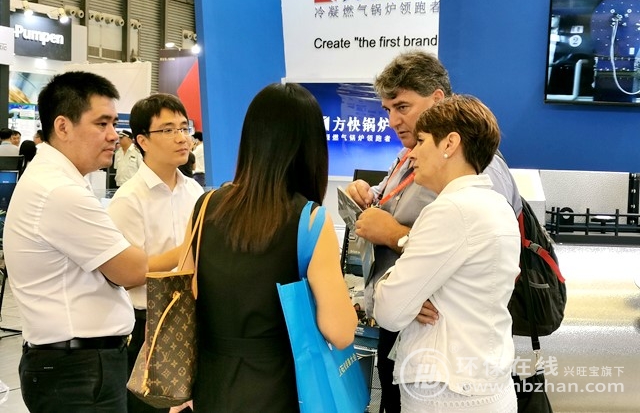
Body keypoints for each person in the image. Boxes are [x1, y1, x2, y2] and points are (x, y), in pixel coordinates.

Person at [346, 51, 521, 413]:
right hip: (448, 358)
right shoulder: (412, 160)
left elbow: (472, 248)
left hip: (447, 371)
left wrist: (396, 239)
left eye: (402, 107)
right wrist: (370, 197)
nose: (393, 120)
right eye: (387, 110)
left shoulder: (469, 188)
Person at [182, 83, 357, 411]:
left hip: (212, 386)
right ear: (311, 147)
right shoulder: (309, 220)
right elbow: (340, 332)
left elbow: (190, 294)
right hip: (279, 390)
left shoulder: (205, 207)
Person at [3, 71, 148, 412]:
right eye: (102, 124)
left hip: (75, 364)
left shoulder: (58, 180)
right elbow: (131, 270)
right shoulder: (59, 190)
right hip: (78, 371)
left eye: (114, 124)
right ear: (63, 126)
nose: (113, 135)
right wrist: (192, 246)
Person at [107, 93, 204, 413]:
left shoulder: (194, 190)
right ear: (143, 141)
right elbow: (129, 274)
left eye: (184, 128)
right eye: (168, 130)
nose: (182, 138)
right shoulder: (129, 199)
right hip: (148, 324)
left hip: (191, 318)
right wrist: (190, 248)